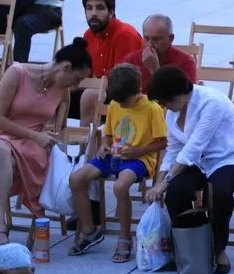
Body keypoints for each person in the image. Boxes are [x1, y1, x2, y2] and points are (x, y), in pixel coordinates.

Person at [146, 66, 234, 274]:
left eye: (164, 101)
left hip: (229, 159)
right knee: (175, 193)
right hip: (197, 164)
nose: (163, 106)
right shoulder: (172, 113)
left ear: (178, 94)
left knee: (220, 192)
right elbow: (173, 149)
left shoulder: (211, 102)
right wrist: (160, 183)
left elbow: (194, 147)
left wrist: (164, 181)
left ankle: (219, 248)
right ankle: (190, 246)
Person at [67, 64, 167, 262]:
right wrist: (104, 144)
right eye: (117, 101)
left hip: (140, 158)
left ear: (138, 90)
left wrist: (139, 151)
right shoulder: (114, 104)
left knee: (121, 187)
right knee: (76, 178)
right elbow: (109, 134)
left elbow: (163, 142)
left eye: (124, 101)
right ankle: (89, 230)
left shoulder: (152, 108)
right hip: (114, 154)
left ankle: (124, 237)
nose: (121, 105)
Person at [0, 39, 92, 243]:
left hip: (36, 146)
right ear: (66, 67)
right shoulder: (17, 73)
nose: (76, 86)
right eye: (76, 79)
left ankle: (1, 229)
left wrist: (47, 138)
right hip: (9, 136)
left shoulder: (63, 90)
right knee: (1, 152)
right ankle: (0, 225)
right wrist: (33, 135)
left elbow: (61, 129)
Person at [75, 0, 143, 125]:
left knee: (90, 95)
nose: (93, 13)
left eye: (99, 8)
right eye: (89, 8)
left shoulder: (125, 34)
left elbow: (122, 81)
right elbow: (87, 73)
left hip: (125, 93)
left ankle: (86, 145)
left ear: (111, 12)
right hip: (101, 89)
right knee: (56, 91)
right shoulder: (88, 35)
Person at [122, 14, 198, 92]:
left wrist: (155, 70)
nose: (150, 44)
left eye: (156, 39)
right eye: (146, 38)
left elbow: (184, 98)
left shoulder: (185, 62)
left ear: (171, 38)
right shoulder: (132, 60)